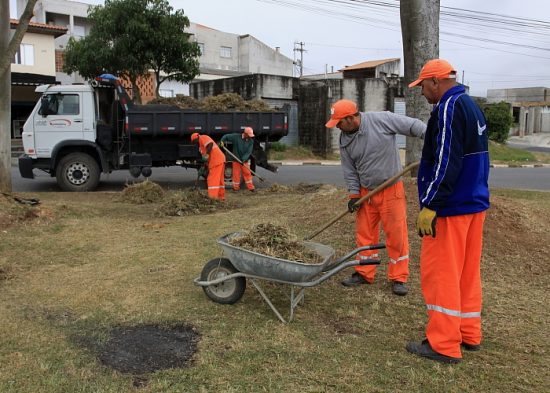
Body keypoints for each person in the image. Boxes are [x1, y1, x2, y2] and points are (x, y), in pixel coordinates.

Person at [405, 59, 490, 364]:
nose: (423, 93)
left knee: (441, 274)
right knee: (466, 273)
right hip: (474, 204)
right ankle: (468, 332)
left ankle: (443, 343)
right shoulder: (472, 105)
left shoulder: (449, 107)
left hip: (451, 208)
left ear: (436, 82)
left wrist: (431, 204)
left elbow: (446, 161)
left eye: (424, 87)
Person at [325, 99, 426, 296]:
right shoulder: (344, 139)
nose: (337, 126)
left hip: (391, 189)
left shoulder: (382, 120)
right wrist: (354, 194)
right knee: (364, 234)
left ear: (351, 118)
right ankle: (364, 272)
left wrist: (433, 137)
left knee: (396, 235)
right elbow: (349, 170)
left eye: (339, 122)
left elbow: (413, 125)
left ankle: (398, 277)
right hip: (366, 193)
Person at [191, 132, 226, 200]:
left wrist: (207, 155)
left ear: (196, 138)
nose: (195, 143)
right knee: (220, 180)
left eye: (194, 141)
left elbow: (210, 144)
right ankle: (221, 197)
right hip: (220, 160)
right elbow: (205, 159)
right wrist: (204, 165)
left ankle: (212, 197)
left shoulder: (203, 137)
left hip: (216, 160)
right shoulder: (201, 146)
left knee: (212, 179)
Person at [220, 127, 256, 192]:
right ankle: (235, 188)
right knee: (236, 174)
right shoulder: (236, 137)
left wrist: (243, 159)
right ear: (245, 133)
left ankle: (251, 188)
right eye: (249, 135)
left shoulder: (251, 141)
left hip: (244, 161)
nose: (250, 137)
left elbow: (248, 152)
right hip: (236, 160)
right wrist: (222, 141)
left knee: (247, 173)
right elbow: (226, 136)